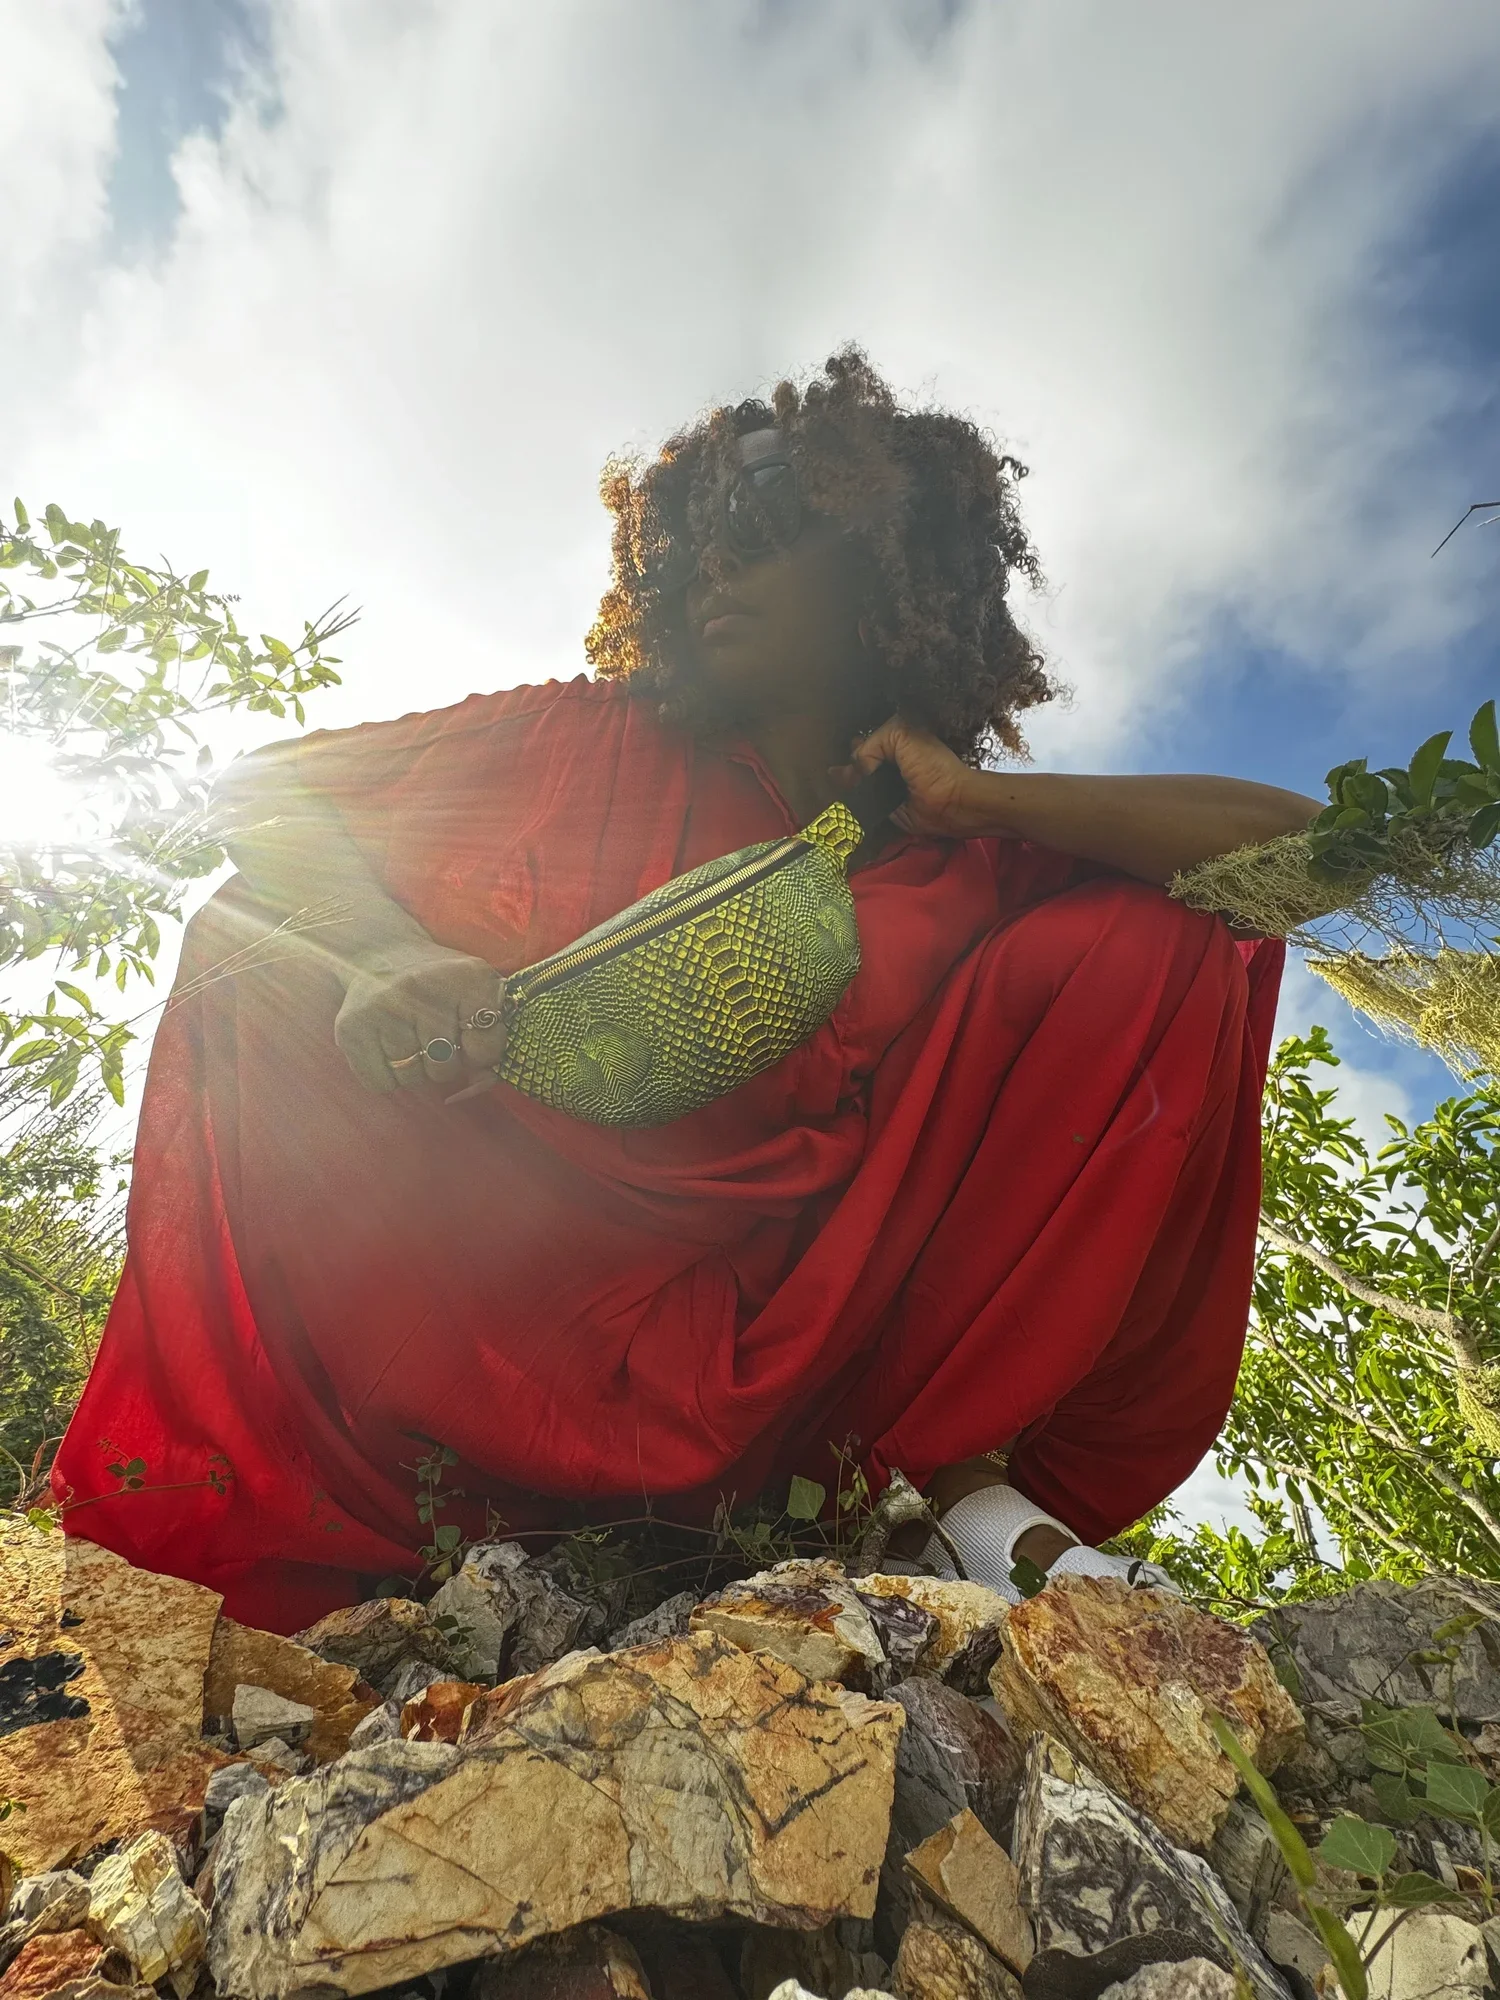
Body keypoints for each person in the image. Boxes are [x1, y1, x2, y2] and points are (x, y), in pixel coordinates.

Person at [54, 350, 1317, 1633]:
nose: (718, 569)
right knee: (262, 938)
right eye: (695, 547)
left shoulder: (967, 855)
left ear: (886, 561)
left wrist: (979, 797)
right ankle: (380, 1502)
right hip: (523, 1302)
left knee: (1155, 935)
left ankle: (943, 1499)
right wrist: (383, 952)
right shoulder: (587, 733)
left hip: (815, 1352)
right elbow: (263, 791)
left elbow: (1312, 857)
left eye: (763, 533)